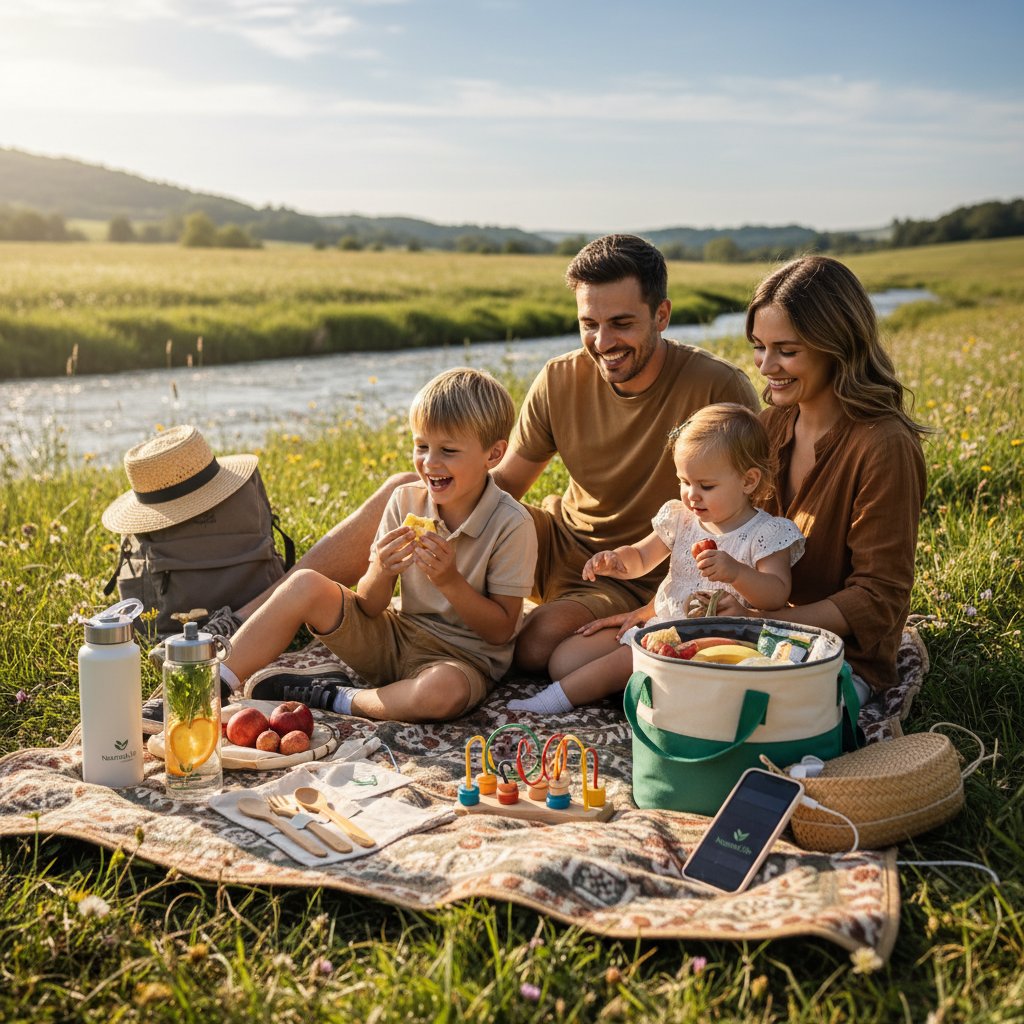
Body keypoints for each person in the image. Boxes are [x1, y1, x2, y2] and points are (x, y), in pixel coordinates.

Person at [221, 234, 758, 675]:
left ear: (661, 314)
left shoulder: (718, 386)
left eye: (622, 323)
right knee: (402, 491)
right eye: (588, 323)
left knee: (535, 648)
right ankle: (256, 613)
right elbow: (503, 484)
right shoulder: (560, 377)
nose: (602, 341)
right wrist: (434, 502)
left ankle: (476, 643)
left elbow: (750, 508)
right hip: (554, 539)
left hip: (637, 571)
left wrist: (664, 603)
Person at [577, 255, 928, 702]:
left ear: (837, 345)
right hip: (750, 635)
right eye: (759, 346)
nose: (765, 366)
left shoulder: (884, 445)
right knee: (576, 663)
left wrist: (760, 620)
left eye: (787, 350)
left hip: (835, 658)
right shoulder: (771, 426)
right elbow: (728, 535)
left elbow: (878, 598)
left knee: (722, 715)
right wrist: (655, 611)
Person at [216, 368, 537, 723]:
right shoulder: (405, 501)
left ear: (493, 455)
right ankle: (213, 682)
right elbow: (370, 604)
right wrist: (382, 570)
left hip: (461, 660)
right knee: (304, 583)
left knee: (441, 694)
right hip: (395, 636)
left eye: (448, 450)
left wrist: (450, 582)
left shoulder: (512, 523)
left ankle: (337, 696)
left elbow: (502, 630)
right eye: (421, 446)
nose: (429, 462)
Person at [508, 403, 804, 712]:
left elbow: (776, 593)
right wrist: (617, 560)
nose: (691, 494)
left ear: (748, 481)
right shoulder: (681, 518)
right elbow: (641, 555)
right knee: (565, 661)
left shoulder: (766, 533)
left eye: (706, 485)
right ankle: (641, 686)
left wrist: (737, 574)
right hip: (664, 623)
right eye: (684, 481)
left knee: (629, 658)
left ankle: (553, 701)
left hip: (715, 640)